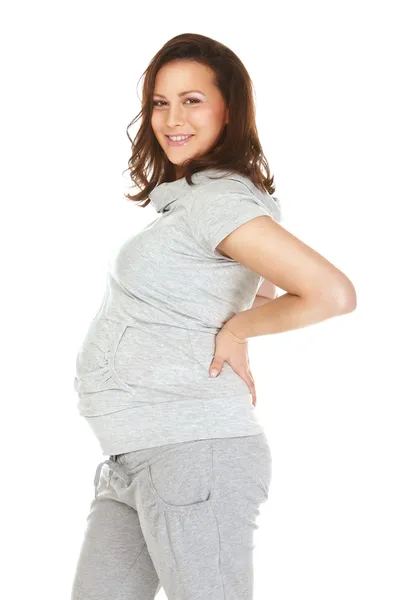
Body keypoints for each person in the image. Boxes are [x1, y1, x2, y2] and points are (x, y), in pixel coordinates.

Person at [71, 33, 357, 600]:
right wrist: (241, 327)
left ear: (230, 109)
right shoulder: (195, 200)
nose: (171, 117)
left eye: (192, 99)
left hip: (192, 453)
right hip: (135, 457)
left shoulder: (219, 201)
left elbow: (332, 293)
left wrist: (239, 330)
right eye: (159, 102)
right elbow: (249, 285)